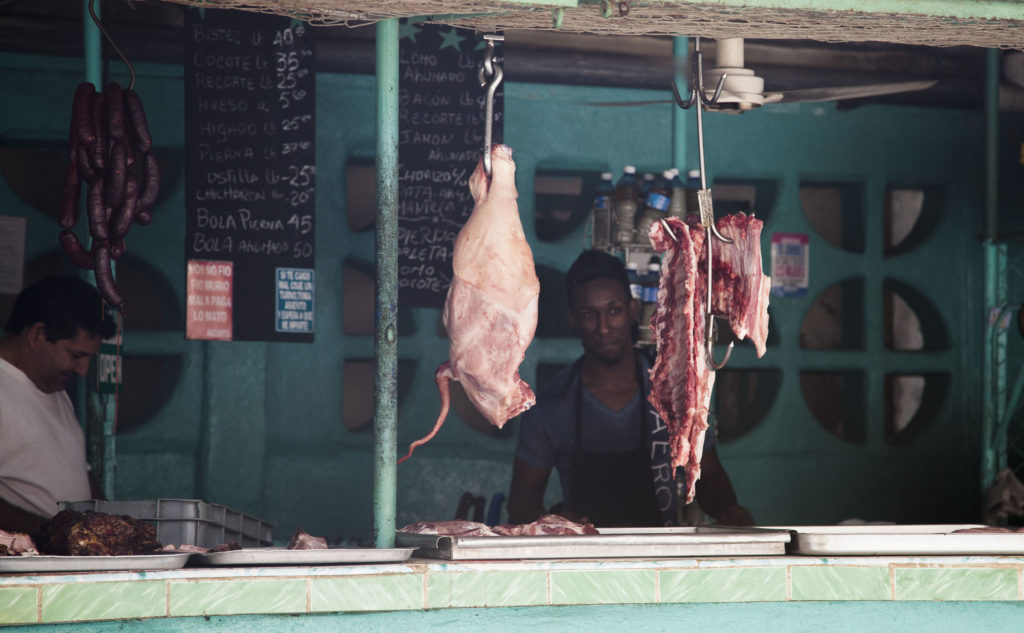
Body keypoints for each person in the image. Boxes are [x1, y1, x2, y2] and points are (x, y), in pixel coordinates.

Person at [507, 250, 753, 527]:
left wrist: (729, 510)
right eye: (589, 314)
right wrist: (552, 522)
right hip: (582, 564)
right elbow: (520, 504)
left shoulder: (674, 392)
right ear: (572, 320)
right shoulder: (551, 406)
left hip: (661, 561)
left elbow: (709, 477)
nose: (603, 328)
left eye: (614, 311)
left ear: (632, 311)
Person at [0, 275, 115, 533]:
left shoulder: (54, 388)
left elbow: (79, 471)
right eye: (76, 355)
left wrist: (110, 528)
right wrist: (53, 533)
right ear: (37, 334)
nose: (84, 371)